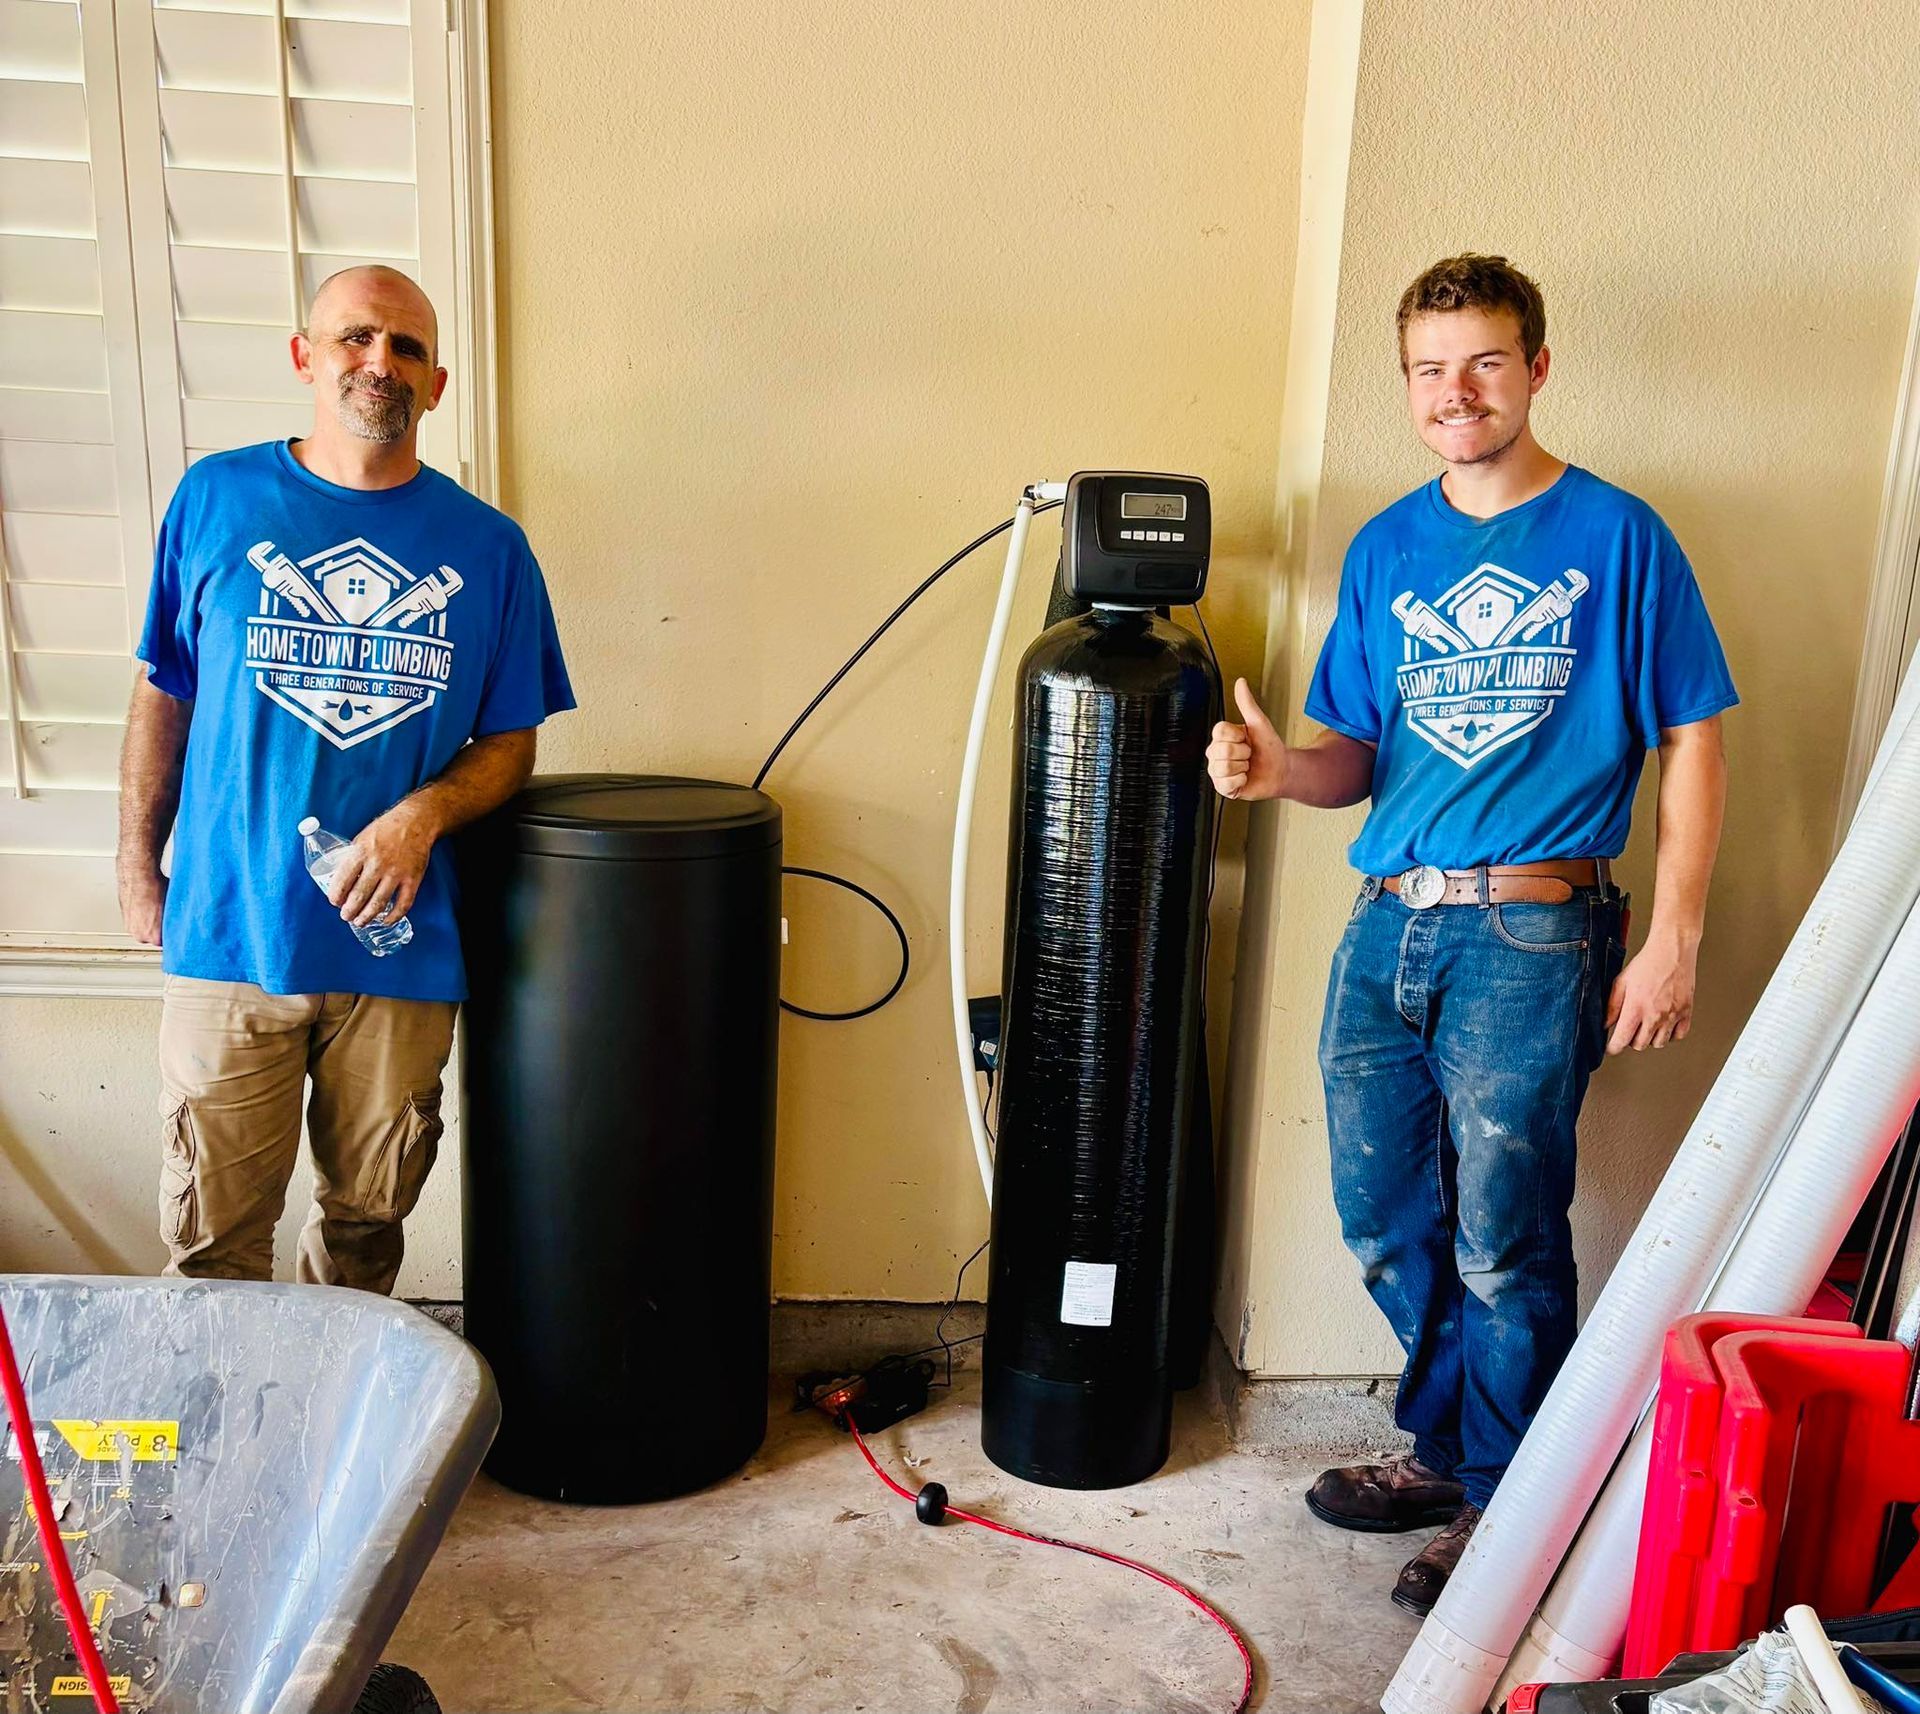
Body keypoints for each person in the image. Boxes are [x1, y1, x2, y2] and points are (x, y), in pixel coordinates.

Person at [1207, 254, 1734, 1614]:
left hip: (1534, 932)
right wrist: (1279, 777)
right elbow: (1355, 758)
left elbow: (1693, 738)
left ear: (1537, 368)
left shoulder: (1619, 538)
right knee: (1387, 1220)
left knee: (1506, 1234)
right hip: (1388, 930)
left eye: (1487, 361)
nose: (1458, 391)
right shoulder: (1388, 547)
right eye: (1432, 369)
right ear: (1408, 385)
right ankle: (1450, 1452)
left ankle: (1509, 1507)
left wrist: (1673, 934)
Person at [117, 265, 574, 1294]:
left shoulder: (489, 551)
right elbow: (164, 693)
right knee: (212, 1243)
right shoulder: (217, 500)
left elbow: (510, 740)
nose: (381, 362)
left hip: (398, 947)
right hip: (230, 928)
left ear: (438, 381)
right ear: (305, 357)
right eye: (356, 338)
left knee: (368, 1229)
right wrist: (139, 864)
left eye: (407, 347)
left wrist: (421, 815)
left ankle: (337, 1443)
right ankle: (227, 1449)